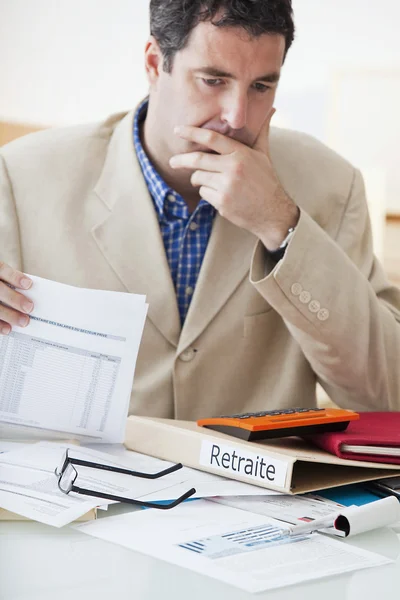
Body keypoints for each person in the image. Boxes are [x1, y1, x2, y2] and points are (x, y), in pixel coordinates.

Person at [1, 0, 399, 421]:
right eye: (213, 80)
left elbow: (388, 394)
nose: (236, 116)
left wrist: (282, 226)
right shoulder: (21, 177)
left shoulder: (333, 186)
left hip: (257, 483)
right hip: (65, 480)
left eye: (261, 87)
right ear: (155, 63)